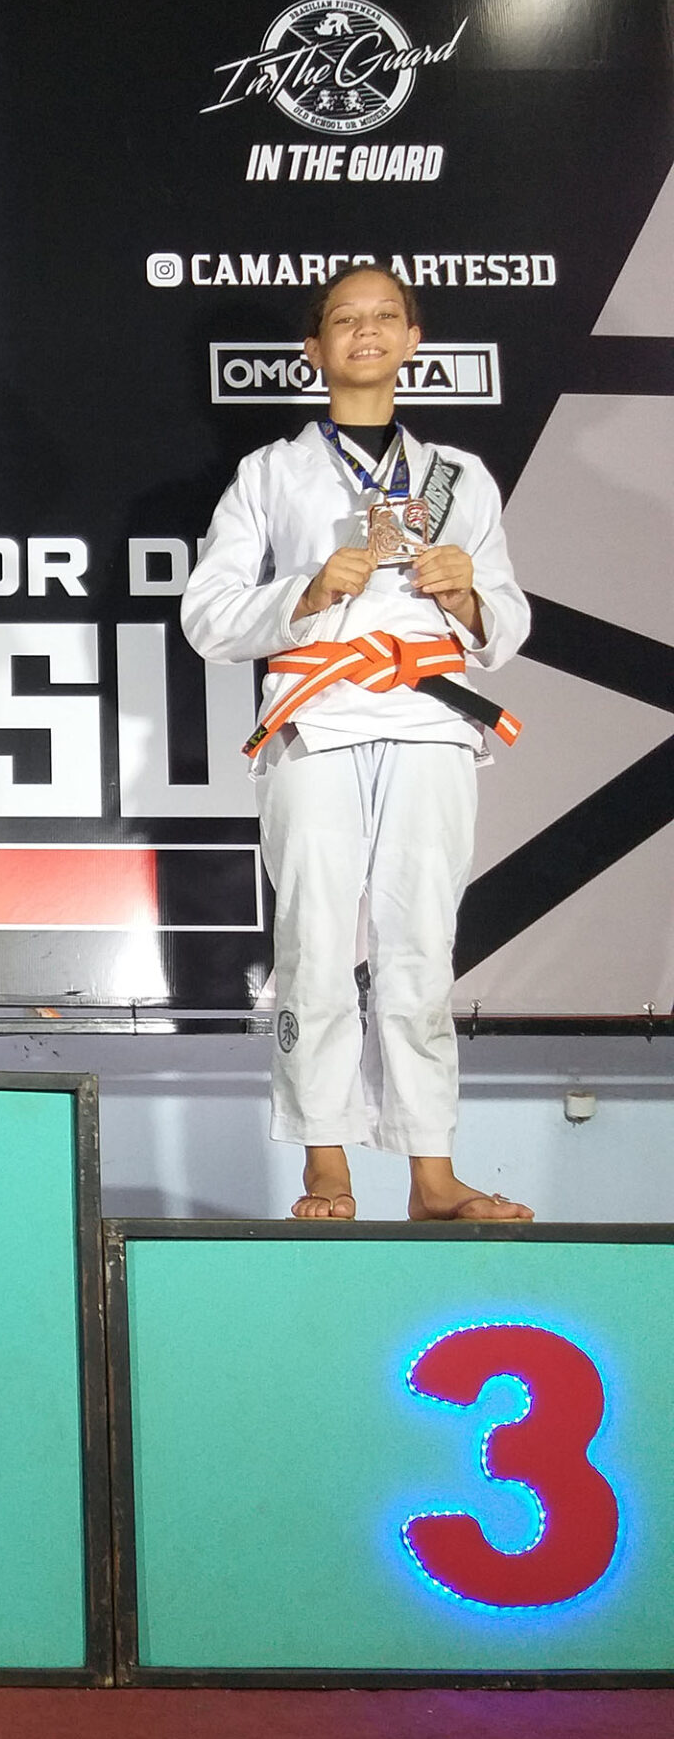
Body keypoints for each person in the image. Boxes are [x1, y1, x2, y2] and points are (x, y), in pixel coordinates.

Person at [182, 264, 534, 1222]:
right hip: (319, 718)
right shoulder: (271, 473)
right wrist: (306, 589)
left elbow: (508, 622)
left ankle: (432, 1175)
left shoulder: (460, 476)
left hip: (428, 720)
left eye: (386, 316)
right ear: (315, 348)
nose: (366, 330)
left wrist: (469, 595)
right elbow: (206, 617)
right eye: (345, 318)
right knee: (316, 943)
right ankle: (325, 1163)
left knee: (423, 945)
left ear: (414, 339)